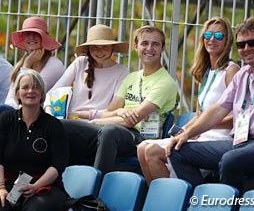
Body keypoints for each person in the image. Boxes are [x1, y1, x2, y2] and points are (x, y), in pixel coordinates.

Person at [166, 0, 254, 191]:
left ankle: (224, 205)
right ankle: (203, 203)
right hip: (240, 144)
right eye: (241, 45)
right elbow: (217, 110)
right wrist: (187, 133)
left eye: (252, 43)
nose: (246, 49)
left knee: (230, 160)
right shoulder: (242, 75)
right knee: (177, 151)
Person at [61, 25, 178, 178]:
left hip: (140, 137)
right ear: (136, 46)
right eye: (144, 43)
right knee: (64, 127)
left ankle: (95, 193)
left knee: (109, 131)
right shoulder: (132, 77)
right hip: (117, 130)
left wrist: (95, 122)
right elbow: (109, 112)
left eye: (155, 44)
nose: (149, 48)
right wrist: (119, 111)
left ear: (162, 48)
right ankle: (62, 183)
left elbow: (132, 120)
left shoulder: (165, 82)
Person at [137, 17, 240, 185]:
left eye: (219, 36)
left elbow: (239, 118)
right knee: (142, 148)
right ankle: (162, 199)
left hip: (218, 140)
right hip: (199, 136)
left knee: (153, 152)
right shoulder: (205, 73)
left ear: (227, 40)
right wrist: (184, 130)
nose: (212, 39)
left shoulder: (232, 71)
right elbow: (199, 115)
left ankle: (173, 201)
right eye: (208, 34)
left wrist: (203, 126)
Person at [0, 69, 69, 211]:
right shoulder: (6, 120)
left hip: (46, 185)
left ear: (42, 93)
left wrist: (35, 186)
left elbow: (58, 165)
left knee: (34, 209)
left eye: (35, 87)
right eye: (25, 87)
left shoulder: (54, 125)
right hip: (9, 183)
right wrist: (1, 187)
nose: (30, 91)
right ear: (17, 93)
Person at [44, 24, 129, 120]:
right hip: (70, 122)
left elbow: (113, 111)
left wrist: (77, 114)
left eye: (104, 47)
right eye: (94, 47)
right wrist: (49, 112)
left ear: (112, 47)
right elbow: (52, 94)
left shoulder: (122, 72)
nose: (99, 52)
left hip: (98, 125)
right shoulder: (80, 63)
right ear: (88, 49)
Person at [2, 16, 65, 111]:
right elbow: (10, 99)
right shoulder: (20, 64)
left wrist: (27, 65)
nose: (31, 37)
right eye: (27, 34)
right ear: (23, 39)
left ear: (44, 38)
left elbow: (30, 92)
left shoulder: (55, 65)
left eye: (36, 34)